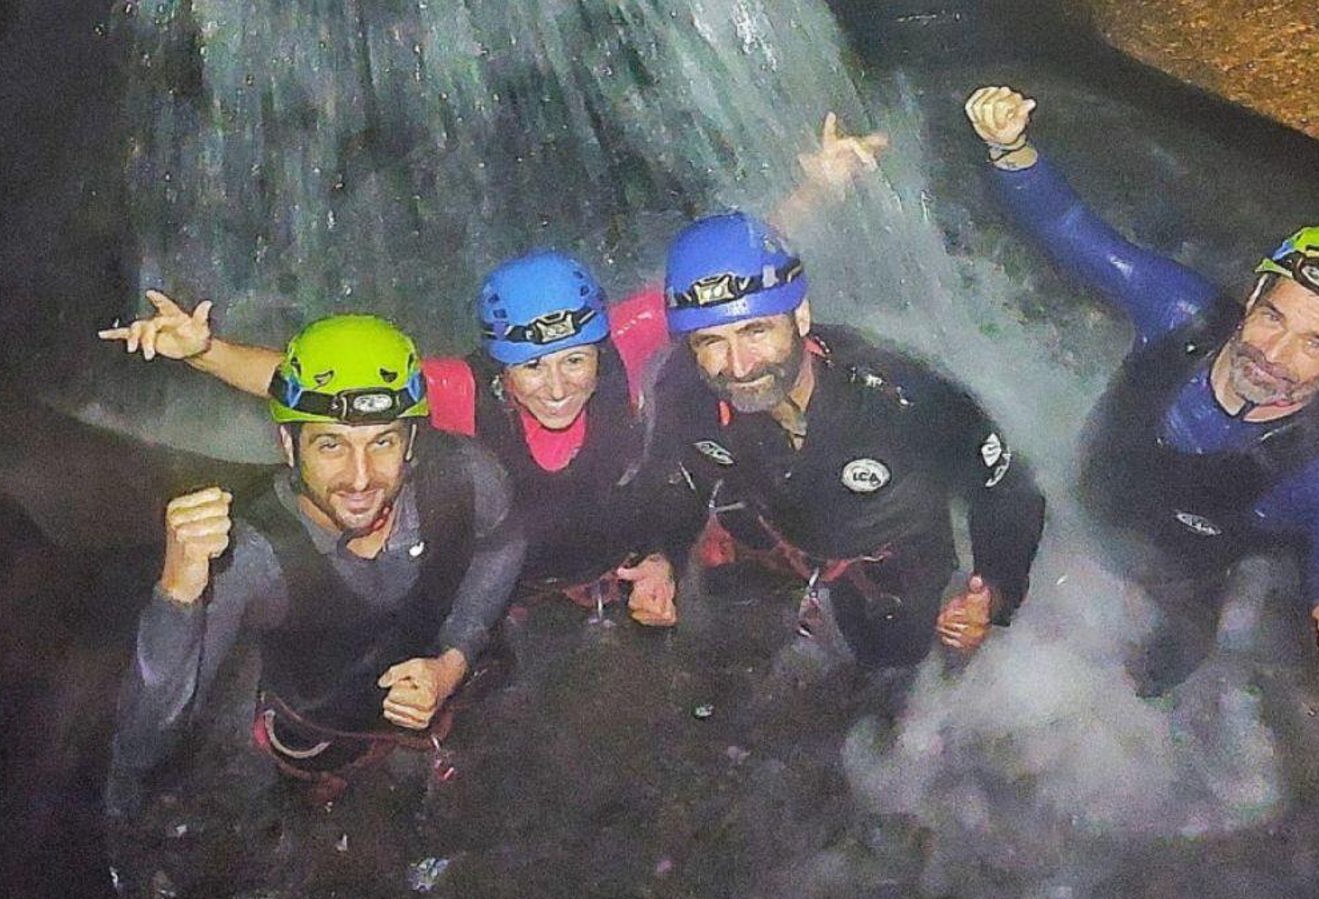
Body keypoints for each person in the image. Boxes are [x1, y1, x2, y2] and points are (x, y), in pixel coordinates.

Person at [101, 113, 889, 627]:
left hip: (624, 546)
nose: (558, 386)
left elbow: (723, 284)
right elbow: (321, 388)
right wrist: (205, 351)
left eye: (575, 361)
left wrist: (817, 186)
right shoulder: (460, 391)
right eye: (531, 369)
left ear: (598, 345)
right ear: (498, 368)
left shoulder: (630, 336)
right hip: (524, 577)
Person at [964, 85, 1319, 694]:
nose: (1272, 353)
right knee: (1005, 617)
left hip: (1180, 587)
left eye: (1315, 344)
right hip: (1076, 513)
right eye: (1274, 317)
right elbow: (1071, 230)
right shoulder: (1180, 316)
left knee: (1147, 687)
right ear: (1252, 298)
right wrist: (1011, 151)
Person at [107, 315, 524, 810]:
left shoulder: (465, 476)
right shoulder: (253, 555)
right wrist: (177, 593)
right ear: (288, 445)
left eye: (383, 441)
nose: (361, 478)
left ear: (411, 441)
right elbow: (145, 743)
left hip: (446, 701)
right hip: (320, 741)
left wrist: (454, 660)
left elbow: (502, 546)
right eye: (331, 445)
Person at [647, 210, 1048, 669]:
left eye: (755, 331)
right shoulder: (685, 393)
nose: (738, 367)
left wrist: (993, 591)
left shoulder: (902, 399)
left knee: (896, 671)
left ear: (800, 316)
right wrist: (661, 555)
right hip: (775, 546)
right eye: (710, 342)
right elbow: (674, 481)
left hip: (892, 560)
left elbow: (1008, 488)